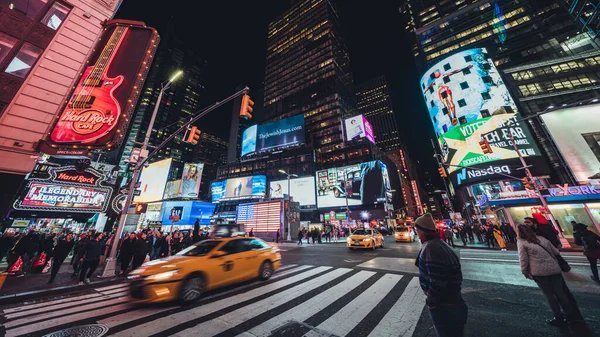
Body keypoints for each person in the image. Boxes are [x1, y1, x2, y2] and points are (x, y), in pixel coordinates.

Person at [517, 224, 583, 326]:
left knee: (550, 296)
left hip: (539, 273)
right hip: (554, 270)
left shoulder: (522, 242)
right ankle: (571, 316)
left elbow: (523, 259)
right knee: (561, 294)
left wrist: (524, 272)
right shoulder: (542, 239)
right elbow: (556, 251)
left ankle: (558, 317)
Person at [414, 214, 467, 337]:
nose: (415, 231)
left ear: (422, 229)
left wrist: (432, 299)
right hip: (453, 301)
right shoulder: (440, 244)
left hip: (445, 305)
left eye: (417, 228)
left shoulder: (431, 247)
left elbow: (437, 279)